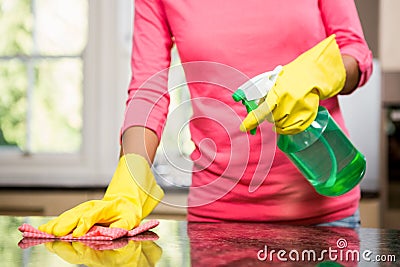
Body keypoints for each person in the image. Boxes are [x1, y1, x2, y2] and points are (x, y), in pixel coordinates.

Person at [39, 0, 373, 237]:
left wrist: (321, 73)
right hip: (218, 223)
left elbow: (355, 53)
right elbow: (148, 89)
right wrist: (130, 177)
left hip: (326, 215)